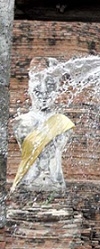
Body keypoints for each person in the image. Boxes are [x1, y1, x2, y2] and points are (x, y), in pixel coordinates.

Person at [10, 58, 75, 193]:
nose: (44, 95)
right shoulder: (20, 122)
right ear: (30, 89)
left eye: (50, 89)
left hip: (55, 183)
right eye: (38, 91)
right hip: (27, 183)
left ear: (57, 90)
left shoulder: (62, 122)